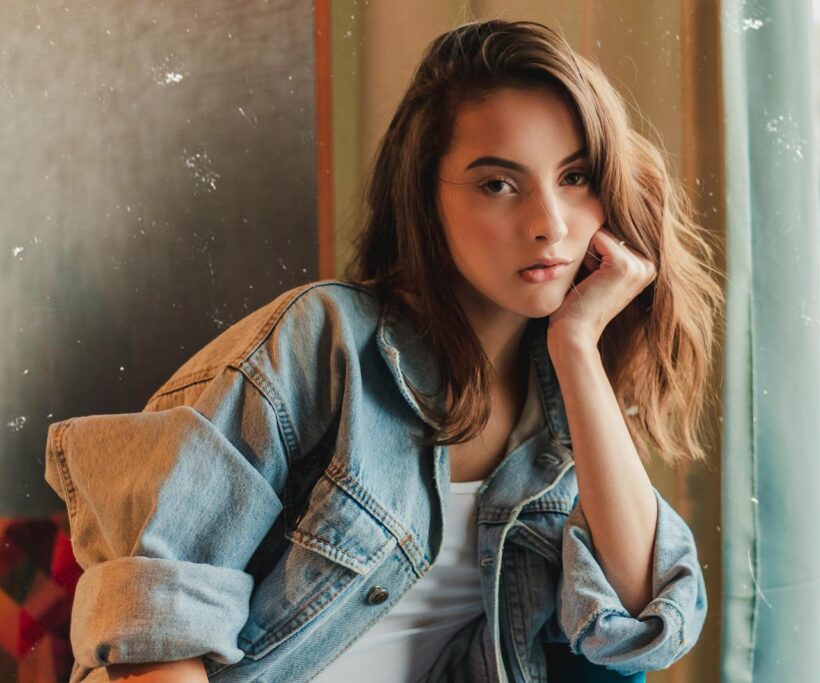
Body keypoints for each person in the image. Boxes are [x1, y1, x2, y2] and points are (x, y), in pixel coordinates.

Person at [43, 18, 723, 683]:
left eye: (574, 177)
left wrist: (577, 347)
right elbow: (158, 627)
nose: (549, 223)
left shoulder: (563, 395)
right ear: (426, 197)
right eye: (498, 184)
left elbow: (637, 624)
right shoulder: (324, 342)